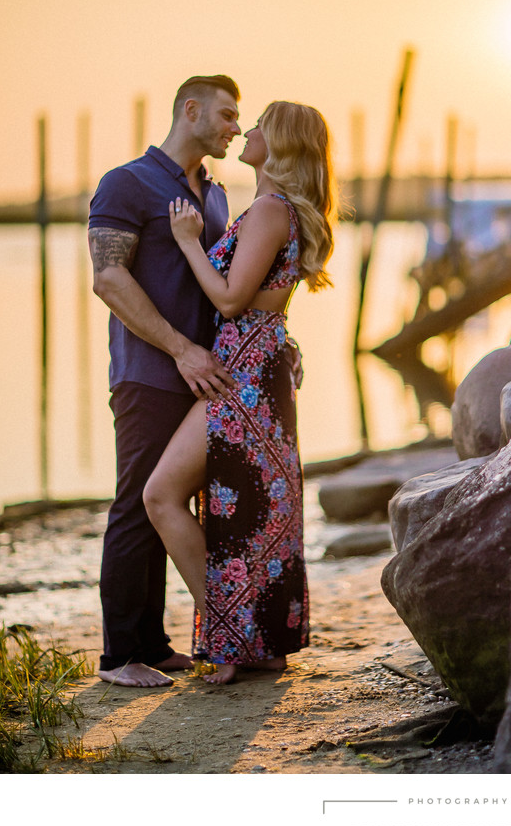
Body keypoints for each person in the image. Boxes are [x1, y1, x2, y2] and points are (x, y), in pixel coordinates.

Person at [143, 101, 338, 684]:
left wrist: (186, 241)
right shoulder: (273, 211)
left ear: (279, 144)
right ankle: (257, 642)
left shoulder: (270, 211)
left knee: (161, 496)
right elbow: (264, 301)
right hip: (256, 365)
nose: (247, 131)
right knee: (255, 510)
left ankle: (232, 639)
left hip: (244, 375)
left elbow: (230, 300)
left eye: (258, 126)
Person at [88, 74, 240, 688]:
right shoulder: (127, 183)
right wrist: (181, 350)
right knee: (136, 504)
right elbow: (108, 279)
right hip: (150, 374)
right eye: (227, 114)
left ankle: (153, 641)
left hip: (206, 378)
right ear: (191, 110)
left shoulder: (219, 195)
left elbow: (224, 288)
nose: (235, 126)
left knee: (171, 505)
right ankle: (119, 655)